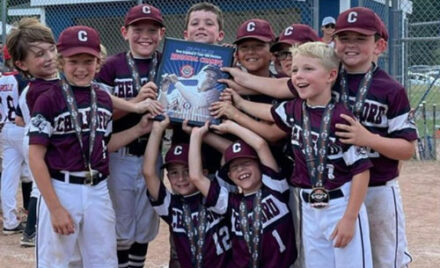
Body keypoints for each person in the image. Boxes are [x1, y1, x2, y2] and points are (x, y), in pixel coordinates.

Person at [28, 25, 155, 267]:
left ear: (99, 63)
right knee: (57, 261)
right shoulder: (49, 98)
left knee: (103, 260)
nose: (81, 68)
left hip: (98, 189)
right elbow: (35, 156)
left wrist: (139, 129)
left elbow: (106, 145)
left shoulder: (104, 99)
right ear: (60, 61)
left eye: (89, 61)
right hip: (62, 186)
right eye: (73, 61)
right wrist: (55, 208)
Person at [248, 41, 374, 267]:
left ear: (330, 75)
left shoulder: (341, 117)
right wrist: (235, 105)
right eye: (295, 70)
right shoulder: (296, 108)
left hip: (340, 204)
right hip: (309, 206)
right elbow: (267, 113)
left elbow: (361, 171)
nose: (298, 75)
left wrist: (349, 218)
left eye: (308, 69)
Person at [332, 7, 418, 267]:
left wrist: (367, 138)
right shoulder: (326, 78)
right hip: (336, 188)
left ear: (379, 45)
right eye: (344, 38)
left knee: (384, 260)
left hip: (377, 188)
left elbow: (407, 149)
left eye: (360, 38)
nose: (350, 45)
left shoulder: (391, 89)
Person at [96, 4, 165, 267]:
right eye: (137, 29)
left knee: (146, 222)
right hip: (120, 155)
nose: (144, 35)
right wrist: (135, 101)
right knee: (121, 223)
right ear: (124, 32)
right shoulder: (112, 65)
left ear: (161, 33)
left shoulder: (167, 61)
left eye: (152, 30)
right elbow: (98, 117)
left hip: (153, 153)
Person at [189, 120, 297, 267]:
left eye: (246, 163)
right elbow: (196, 176)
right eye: (234, 167)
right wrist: (196, 134)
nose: (240, 169)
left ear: (260, 167)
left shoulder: (275, 187)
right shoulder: (231, 203)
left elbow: (260, 145)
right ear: (230, 176)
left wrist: (231, 127)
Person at [143, 116, 231, 268]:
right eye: (174, 173)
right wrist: (157, 130)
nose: (181, 178)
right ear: (168, 176)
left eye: (187, 171)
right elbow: (148, 172)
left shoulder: (216, 192)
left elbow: (229, 150)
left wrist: (199, 134)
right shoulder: (171, 205)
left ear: (202, 171)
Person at [6, 17, 60, 247]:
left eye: (52, 49)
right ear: (21, 64)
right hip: (55, 169)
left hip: (15, 133)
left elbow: (20, 119)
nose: (49, 58)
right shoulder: (39, 91)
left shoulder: (39, 86)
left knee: (16, 178)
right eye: (39, 54)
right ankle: (30, 230)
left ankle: (27, 228)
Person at [0, 48, 29, 235]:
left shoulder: (1, 79)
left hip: (4, 128)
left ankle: (10, 221)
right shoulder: (23, 80)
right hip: (21, 126)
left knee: (9, 176)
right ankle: (36, 216)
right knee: (36, 170)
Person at [159, 64, 223, 123]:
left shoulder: (215, 94)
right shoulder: (180, 90)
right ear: (199, 75)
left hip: (203, 132)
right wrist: (163, 91)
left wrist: (176, 82)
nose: (211, 79)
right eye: (208, 75)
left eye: (214, 78)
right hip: (178, 129)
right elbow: (163, 109)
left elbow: (198, 102)